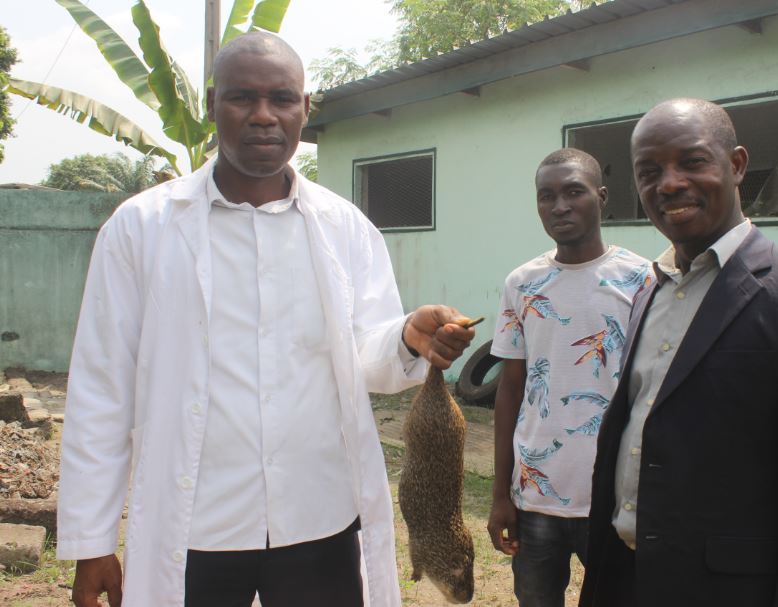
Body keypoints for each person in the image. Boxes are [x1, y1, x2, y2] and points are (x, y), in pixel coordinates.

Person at [56, 32, 477, 607]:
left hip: (320, 520)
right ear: (211, 105)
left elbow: (367, 356)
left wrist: (406, 337)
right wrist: (92, 541)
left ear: (305, 109)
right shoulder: (142, 228)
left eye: (282, 98)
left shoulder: (345, 228)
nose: (263, 116)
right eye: (241, 98)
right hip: (197, 527)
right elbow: (101, 390)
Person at [579, 98, 778, 607]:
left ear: (736, 165)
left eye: (691, 162)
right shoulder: (651, 287)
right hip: (621, 577)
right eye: (649, 171)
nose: (668, 183)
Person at [487, 148, 653, 607]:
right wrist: (501, 494)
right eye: (547, 196)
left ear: (601, 197)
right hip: (536, 498)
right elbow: (510, 390)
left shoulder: (643, 280)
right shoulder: (522, 283)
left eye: (573, 192)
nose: (559, 206)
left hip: (614, 498)